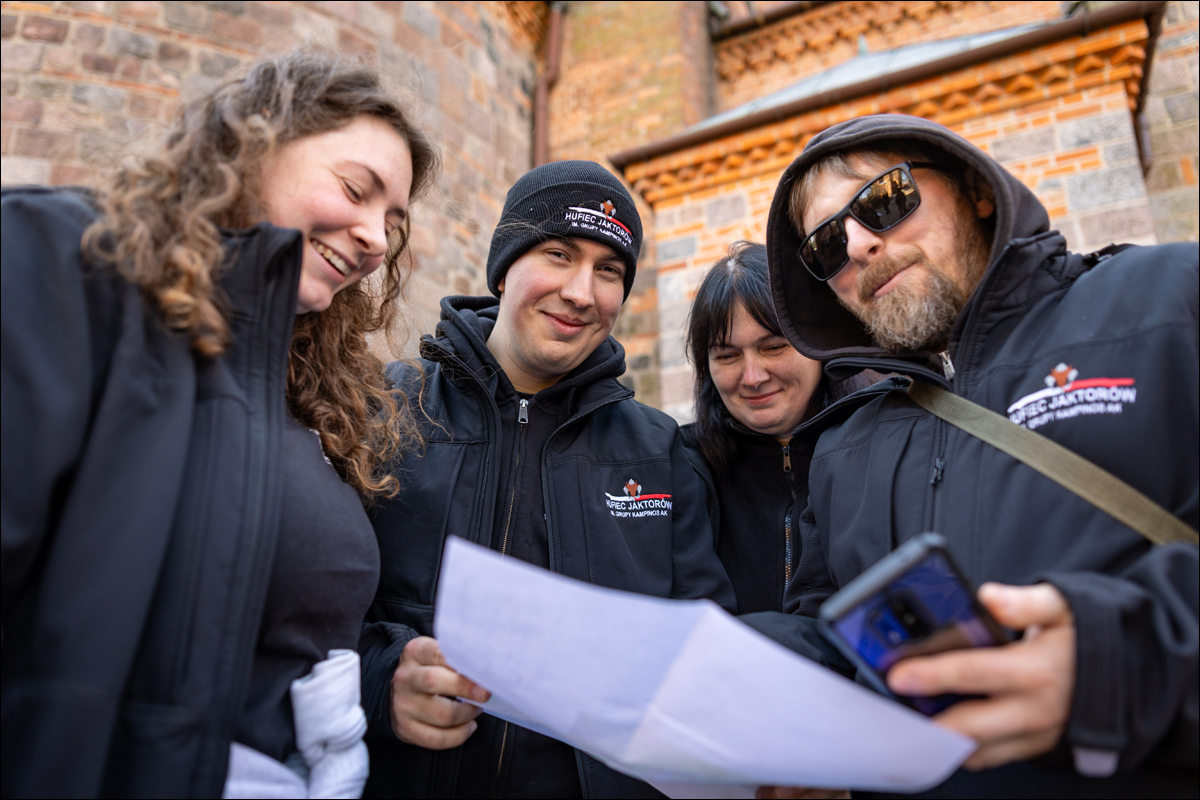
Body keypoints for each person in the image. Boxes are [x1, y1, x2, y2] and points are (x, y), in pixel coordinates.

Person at [1, 52, 436, 797]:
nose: (373, 237)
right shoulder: (63, 260)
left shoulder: (309, 396)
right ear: (254, 143)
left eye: (391, 222)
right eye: (355, 190)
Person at [752, 114, 1197, 796]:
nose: (860, 245)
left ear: (976, 191)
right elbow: (830, 637)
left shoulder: (1169, 298)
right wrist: (746, 678)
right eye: (827, 246)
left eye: (884, 200)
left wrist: (1127, 660)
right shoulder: (841, 449)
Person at [360, 160, 736, 799]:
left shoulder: (658, 452)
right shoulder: (384, 412)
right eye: (558, 255)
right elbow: (302, 609)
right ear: (504, 268)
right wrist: (379, 679)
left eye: (608, 270)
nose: (581, 292)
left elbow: (702, 651)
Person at [682, 241, 876, 614]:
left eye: (773, 347)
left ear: (817, 341)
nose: (753, 377)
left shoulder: (883, 448)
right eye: (727, 355)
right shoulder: (684, 469)